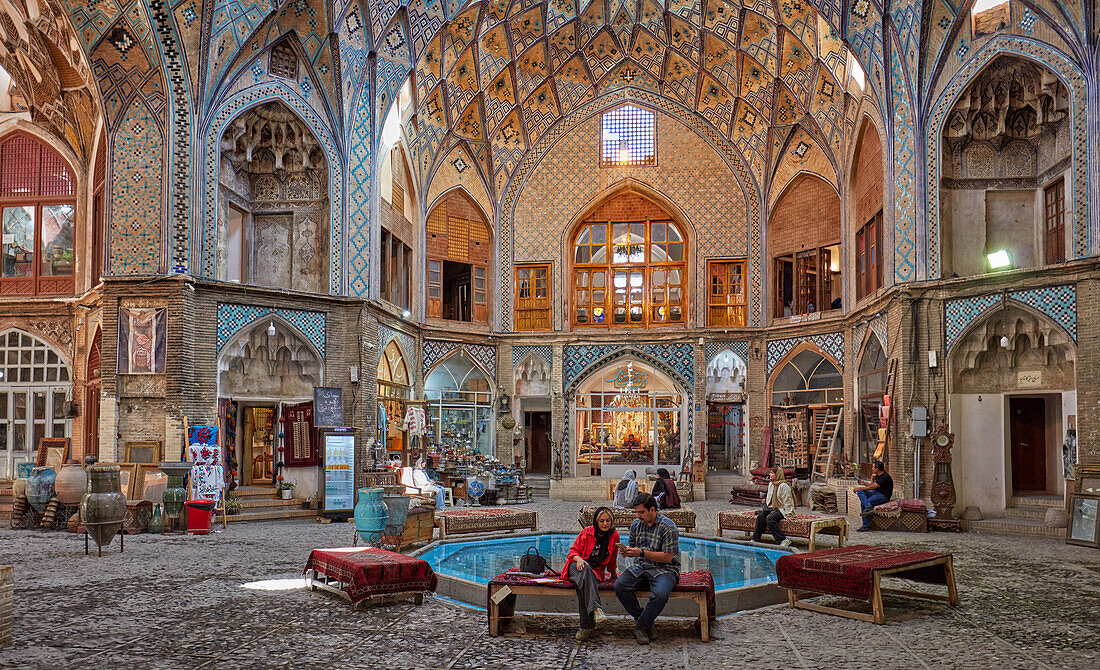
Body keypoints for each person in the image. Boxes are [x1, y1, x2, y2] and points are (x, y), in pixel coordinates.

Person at [615, 493, 680, 645]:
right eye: (636, 512)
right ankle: (646, 622)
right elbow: (633, 550)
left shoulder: (668, 527)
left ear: (652, 509)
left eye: (641, 512)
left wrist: (642, 552)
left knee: (660, 594)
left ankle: (641, 626)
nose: (638, 516)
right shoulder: (636, 525)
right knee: (620, 586)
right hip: (641, 566)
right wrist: (627, 552)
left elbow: (668, 557)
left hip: (665, 569)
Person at [565, 507, 619, 641]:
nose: (605, 524)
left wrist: (613, 574)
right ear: (596, 521)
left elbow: (612, 559)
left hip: (594, 572)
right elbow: (572, 552)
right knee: (585, 571)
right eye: (602, 521)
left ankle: (586, 626)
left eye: (608, 521)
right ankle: (596, 609)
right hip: (575, 567)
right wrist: (579, 559)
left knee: (583, 582)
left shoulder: (614, 535)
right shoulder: (587, 532)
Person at [751, 466, 794, 547]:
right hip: (772, 508)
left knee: (770, 519)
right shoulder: (771, 484)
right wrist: (768, 508)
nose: (770, 474)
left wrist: (788, 513)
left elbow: (788, 501)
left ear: (777, 474)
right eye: (770, 472)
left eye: (772, 473)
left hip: (782, 509)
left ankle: (783, 540)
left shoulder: (784, 486)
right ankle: (755, 539)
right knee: (760, 517)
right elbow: (769, 498)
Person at [854, 460, 894, 532]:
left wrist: (859, 488)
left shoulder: (885, 477)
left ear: (877, 469)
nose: (872, 469)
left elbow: (872, 487)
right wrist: (864, 483)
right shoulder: (878, 476)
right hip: (875, 493)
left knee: (864, 503)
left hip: (883, 496)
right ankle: (868, 507)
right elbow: (873, 485)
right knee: (860, 492)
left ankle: (866, 525)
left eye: (873, 467)